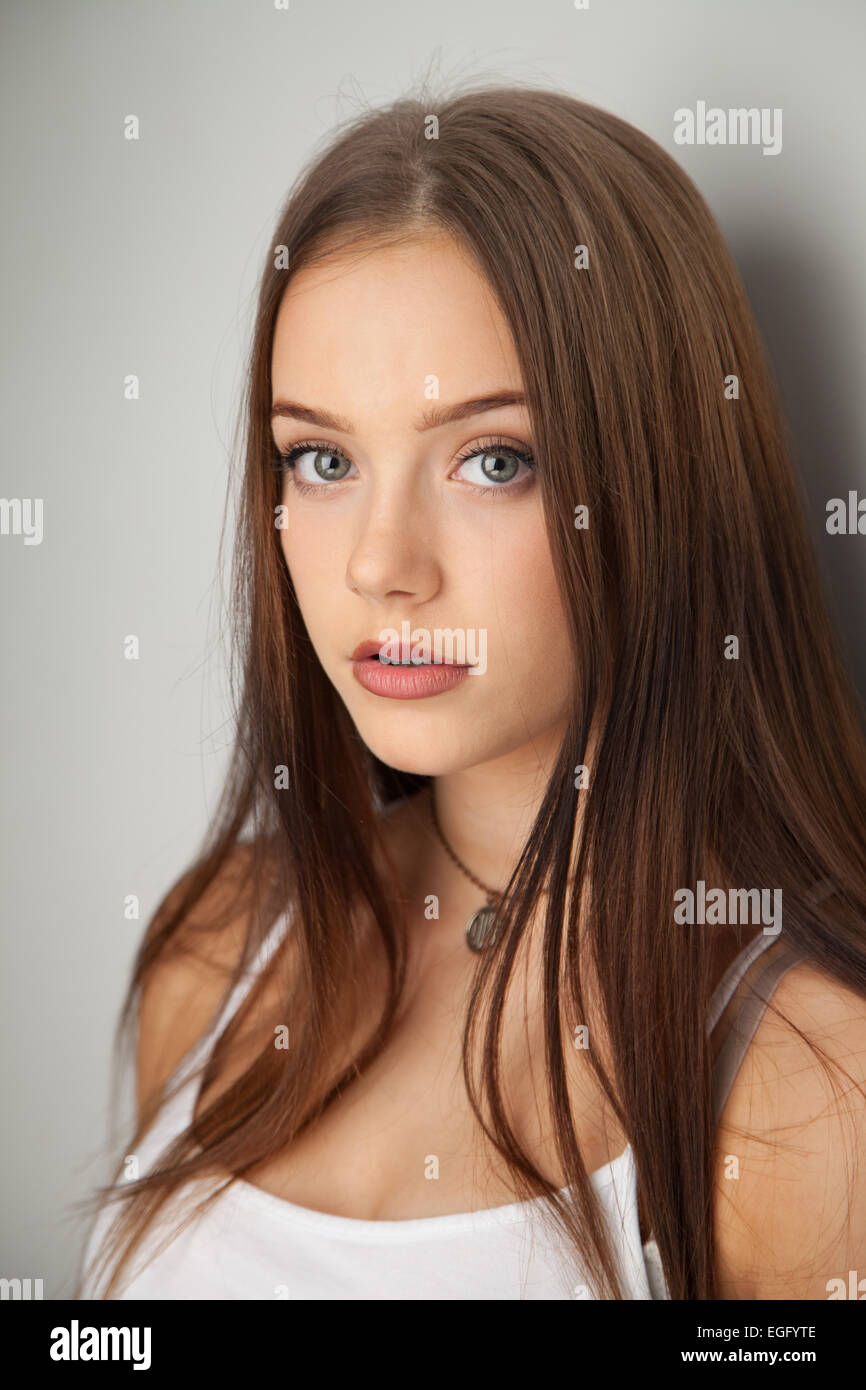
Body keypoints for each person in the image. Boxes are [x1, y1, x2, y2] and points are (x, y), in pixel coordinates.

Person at [77, 82, 866, 1301]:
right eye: (321, 459)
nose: (378, 564)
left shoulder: (813, 1092)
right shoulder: (223, 944)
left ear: (658, 478)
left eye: (492, 459)